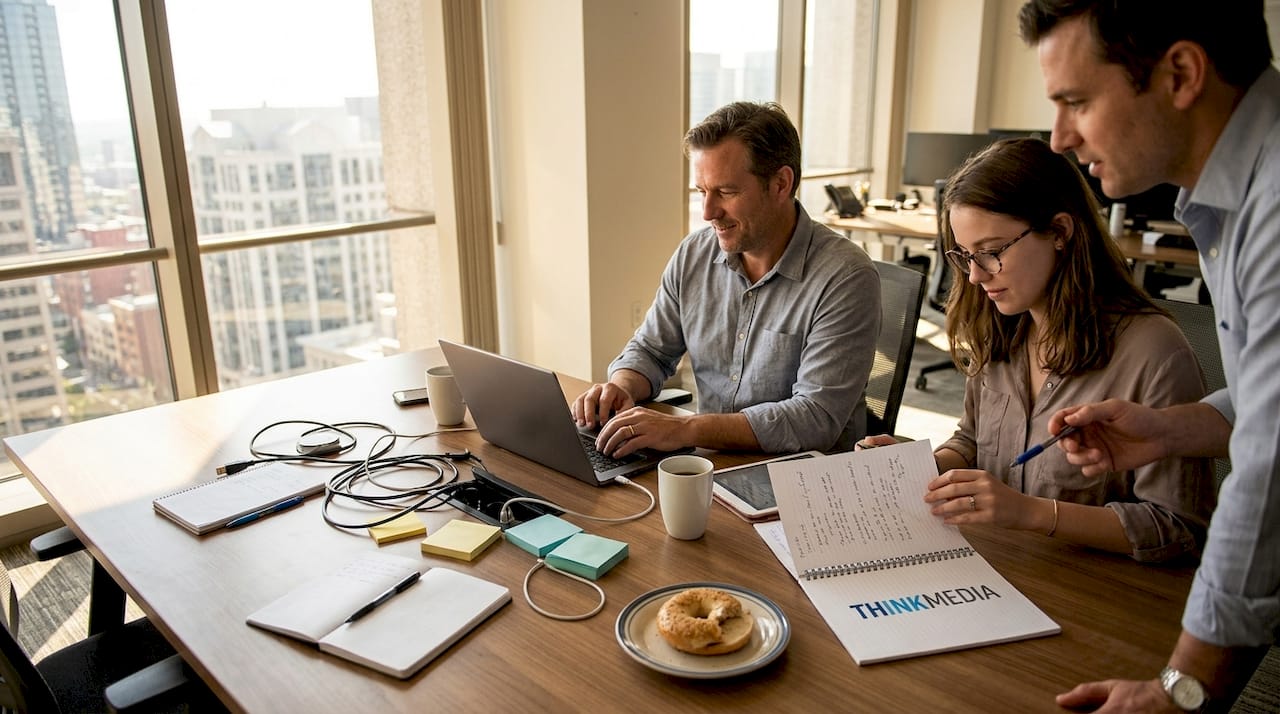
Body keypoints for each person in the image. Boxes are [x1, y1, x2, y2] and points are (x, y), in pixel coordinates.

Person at [1019, 1, 1279, 710]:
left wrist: (1181, 689)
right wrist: (1170, 429)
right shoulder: (1229, 199)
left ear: (1182, 73)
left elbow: (1272, 468)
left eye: (1076, 101)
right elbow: (1270, 406)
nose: (1060, 136)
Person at [865, 137, 1214, 562]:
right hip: (1001, 568)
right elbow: (972, 440)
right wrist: (920, 465)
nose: (975, 276)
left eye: (992, 253)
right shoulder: (999, 326)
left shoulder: (1153, 354)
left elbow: (1178, 529)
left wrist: (1032, 513)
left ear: (1060, 232)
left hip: (1097, 594)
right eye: (965, 256)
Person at [571, 101, 880, 457]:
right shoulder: (694, 255)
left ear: (781, 183)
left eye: (726, 192)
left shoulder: (846, 277)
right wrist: (620, 387)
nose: (707, 212)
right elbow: (651, 351)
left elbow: (814, 417)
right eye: (702, 191)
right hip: (713, 465)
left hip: (801, 480)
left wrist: (685, 429)